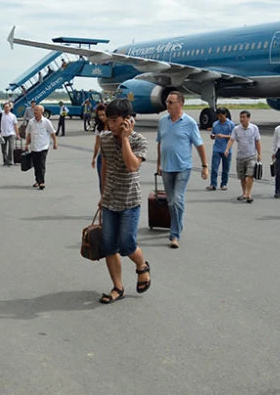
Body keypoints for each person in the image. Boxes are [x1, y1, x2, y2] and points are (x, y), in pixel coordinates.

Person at [98, 99, 151, 304]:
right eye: (108, 121)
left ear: (127, 120)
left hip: (130, 200)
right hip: (110, 200)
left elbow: (132, 166)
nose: (110, 125)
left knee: (127, 244)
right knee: (109, 246)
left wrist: (126, 139)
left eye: (114, 121)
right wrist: (102, 194)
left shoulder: (139, 141)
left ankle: (142, 266)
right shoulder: (105, 139)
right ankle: (117, 287)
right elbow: (105, 167)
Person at [156, 91, 208, 249]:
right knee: (171, 202)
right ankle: (177, 225)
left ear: (180, 104)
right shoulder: (162, 121)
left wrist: (205, 166)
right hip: (166, 167)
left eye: (171, 102)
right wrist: (158, 163)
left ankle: (174, 234)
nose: (168, 105)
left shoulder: (190, 123)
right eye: (167, 102)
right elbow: (160, 143)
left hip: (183, 167)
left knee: (177, 199)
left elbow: (199, 145)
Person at [224, 110, 262, 203]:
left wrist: (259, 154)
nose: (242, 119)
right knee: (242, 177)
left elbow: (257, 141)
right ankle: (244, 193)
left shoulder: (254, 128)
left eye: (244, 117)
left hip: (251, 156)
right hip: (240, 156)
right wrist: (227, 149)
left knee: (250, 175)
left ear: (248, 118)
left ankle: (249, 194)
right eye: (241, 117)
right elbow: (231, 140)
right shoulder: (236, 129)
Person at [25, 105, 58, 190]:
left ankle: (42, 182)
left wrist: (55, 143)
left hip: (43, 146)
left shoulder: (46, 122)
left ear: (41, 112)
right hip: (34, 146)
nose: (35, 112)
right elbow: (28, 134)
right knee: (36, 165)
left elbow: (52, 133)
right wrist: (26, 144)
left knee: (41, 164)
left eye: (37, 110)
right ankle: (37, 180)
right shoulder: (31, 122)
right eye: (34, 110)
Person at [207, 107, 234, 191]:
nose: (220, 117)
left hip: (226, 149)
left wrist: (223, 136)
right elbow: (213, 134)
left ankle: (224, 184)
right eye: (218, 116)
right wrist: (213, 136)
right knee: (214, 167)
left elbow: (233, 137)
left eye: (221, 115)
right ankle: (213, 184)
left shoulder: (230, 124)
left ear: (225, 114)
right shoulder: (215, 124)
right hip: (217, 148)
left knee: (225, 168)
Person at [91, 104, 109, 192]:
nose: (101, 117)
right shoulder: (99, 128)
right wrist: (94, 158)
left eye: (103, 115)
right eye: (99, 115)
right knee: (102, 182)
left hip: (111, 157)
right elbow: (97, 144)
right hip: (101, 156)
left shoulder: (113, 126)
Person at [0, 102, 19, 166]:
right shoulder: (1, 115)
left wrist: (17, 134)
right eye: (5, 107)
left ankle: (10, 160)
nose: (6, 109)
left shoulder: (13, 116)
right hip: (3, 134)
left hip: (11, 133)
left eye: (7, 107)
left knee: (11, 148)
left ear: (10, 108)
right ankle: (5, 160)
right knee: (3, 149)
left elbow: (15, 125)